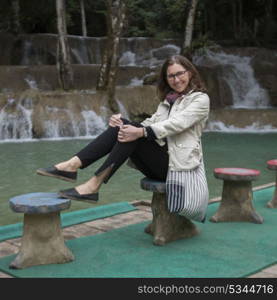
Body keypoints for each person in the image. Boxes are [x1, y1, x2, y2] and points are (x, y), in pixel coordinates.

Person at [37, 55, 210, 222]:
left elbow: (176, 124)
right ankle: (73, 166)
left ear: (190, 72)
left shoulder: (200, 99)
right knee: (123, 127)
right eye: (171, 76)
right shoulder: (168, 101)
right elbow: (149, 123)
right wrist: (121, 123)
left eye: (180, 73)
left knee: (133, 132)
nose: (176, 79)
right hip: (162, 162)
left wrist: (140, 132)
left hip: (180, 169)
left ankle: (90, 182)